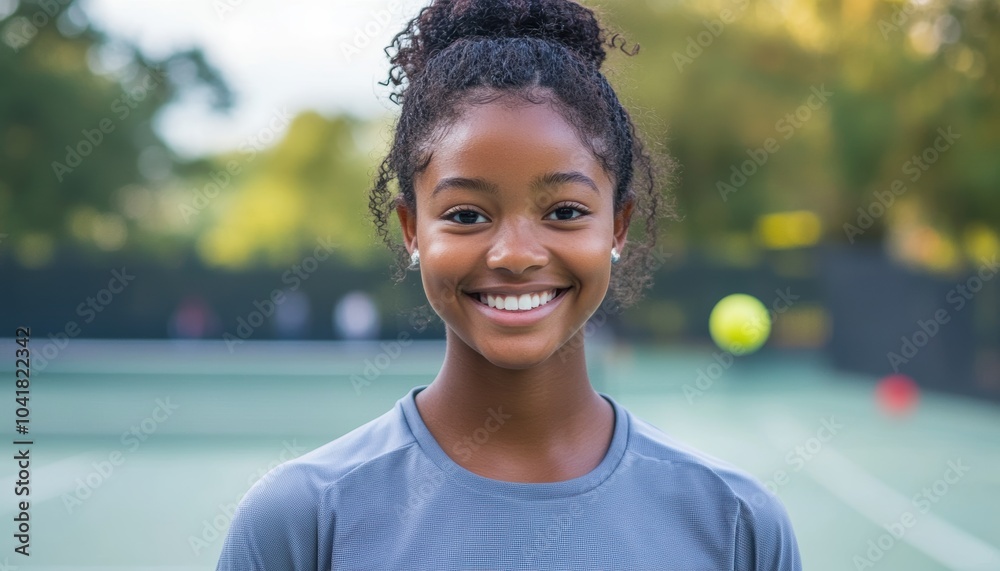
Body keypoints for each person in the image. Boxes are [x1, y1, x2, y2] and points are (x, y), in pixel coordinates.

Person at [216, 0, 802, 569]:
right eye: (467, 214)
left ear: (617, 227)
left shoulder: (738, 524)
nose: (516, 255)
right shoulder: (300, 523)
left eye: (566, 211)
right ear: (412, 230)